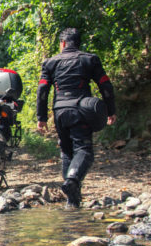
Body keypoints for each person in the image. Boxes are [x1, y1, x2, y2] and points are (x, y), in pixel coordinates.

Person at [36, 28, 117, 208]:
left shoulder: (50, 62)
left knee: (66, 151)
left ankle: (72, 200)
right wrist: (111, 110)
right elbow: (105, 85)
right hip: (81, 110)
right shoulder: (89, 59)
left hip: (59, 112)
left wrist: (41, 117)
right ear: (77, 43)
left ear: (63, 43)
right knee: (84, 150)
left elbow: (42, 90)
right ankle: (72, 180)